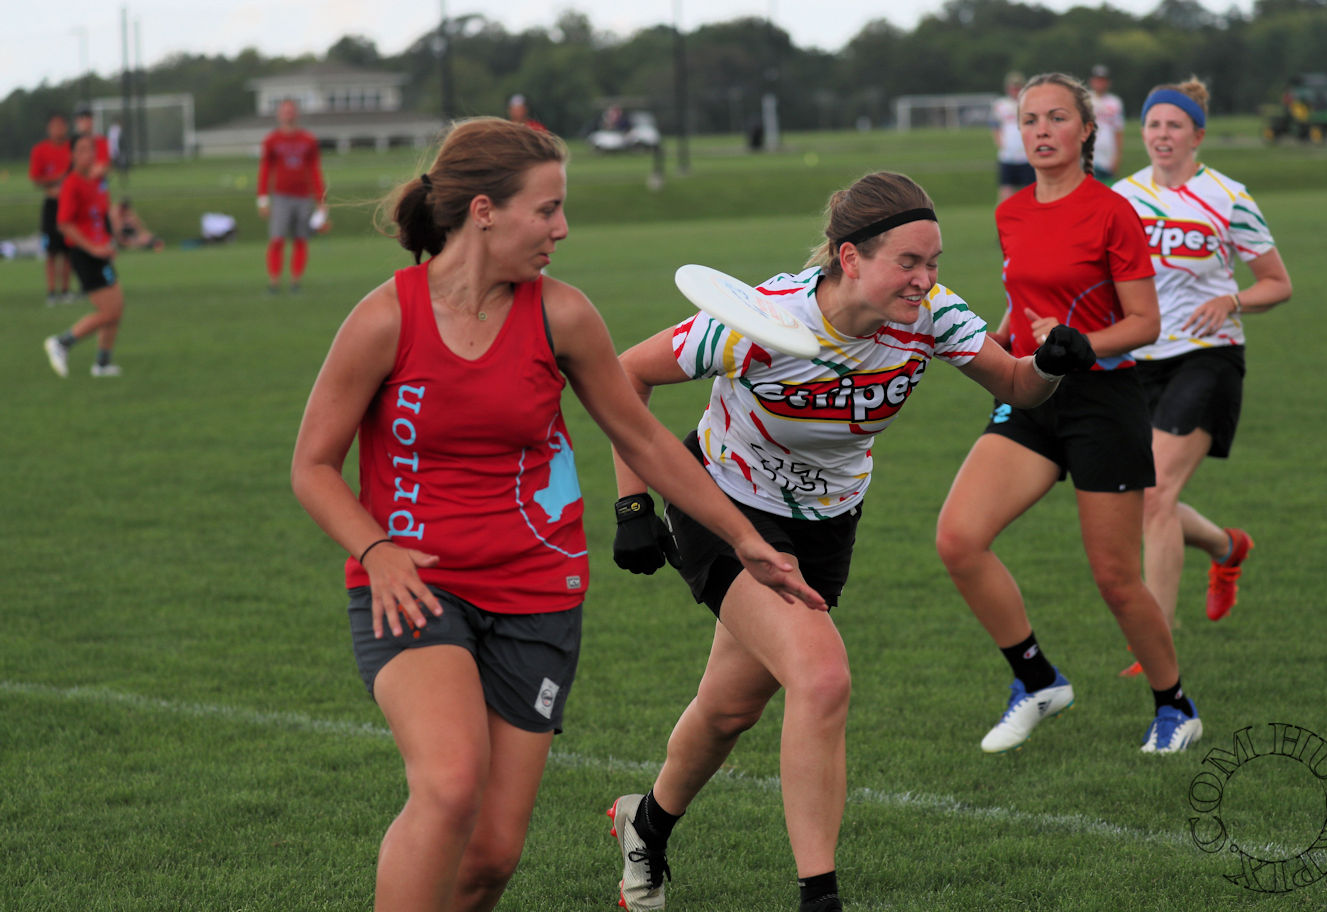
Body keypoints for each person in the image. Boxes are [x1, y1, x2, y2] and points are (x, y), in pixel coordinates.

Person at [289, 116, 824, 912]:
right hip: (414, 585)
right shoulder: (385, 319)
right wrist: (376, 550)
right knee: (449, 784)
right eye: (546, 210)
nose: (562, 228)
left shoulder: (562, 315)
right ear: (483, 211)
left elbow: (642, 437)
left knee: (491, 858)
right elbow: (312, 465)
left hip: (538, 591)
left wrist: (743, 538)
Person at [604, 171, 1097, 912]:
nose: (925, 279)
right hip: (724, 503)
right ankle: (820, 896)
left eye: (933, 262)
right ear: (849, 257)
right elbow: (622, 378)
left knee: (730, 708)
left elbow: (1017, 388)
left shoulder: (932, 316)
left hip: (828, 522)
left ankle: (644, 823)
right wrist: (632, 504)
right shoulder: (760, 319)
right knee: (823, 677)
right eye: (909, 262)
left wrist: (1051, 365)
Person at [934, 72, 1203, 756]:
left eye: (1057, 117)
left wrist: (1082, 344)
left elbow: (1144, 322)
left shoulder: (1112, 211)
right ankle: (1038, 682)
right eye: (1030, 120)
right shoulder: (1012, 212)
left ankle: (1175, 705)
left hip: (1103, 401)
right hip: (1032, 390)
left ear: (1087, 130)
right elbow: (1022, 299)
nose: (1042, 130)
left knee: (1115, 577)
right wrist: (998, 341)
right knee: (959, 539)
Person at [1111, 79, 1292, 675]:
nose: (1162, 135)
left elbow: (1278, 283)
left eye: (1174, 125)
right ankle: (1226, 545)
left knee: (1156, 494)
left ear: (1197, 135)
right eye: (1153, 124)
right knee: (1142, 500)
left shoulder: (1228, 197)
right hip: (1139, 359)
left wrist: (1232, 300)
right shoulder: (1123, 198)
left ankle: (1156, 644)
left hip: (1209, 356)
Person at [42, 133, 126, 379]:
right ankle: (61, 342)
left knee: (116, 307)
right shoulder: (71, 183)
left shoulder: (96, 181)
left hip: (100, 253)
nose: (88, 154)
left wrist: (109, 241)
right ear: (72, 155)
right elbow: (64, 224)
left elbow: (100, 214)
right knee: (109, 312)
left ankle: (102, 364)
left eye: (90, 149)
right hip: (85, 255)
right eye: (81, 150)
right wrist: (93, 248)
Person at [256, 98, 326, 293]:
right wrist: (262, 198)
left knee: (300, 239)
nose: (288, 115)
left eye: (291, 111)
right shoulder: (272, 140)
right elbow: (265, 169)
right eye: (285, 111)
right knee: (277, 239)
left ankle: (296, 281)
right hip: (281, 196)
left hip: (303, 197)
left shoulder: (308, 140)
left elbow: (315, 170)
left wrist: (321, 199)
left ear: (297, 114)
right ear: (279, 115)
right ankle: (274, 281)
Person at [29, 112, 72, 304]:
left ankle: (66, 290)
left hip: (69, 204)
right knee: (51, 251)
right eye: (55, 125)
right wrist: (56, 179)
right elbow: (36, 178)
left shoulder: (72, 148)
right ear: (49, 128)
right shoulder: (40, 150)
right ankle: (52, 292)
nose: (58, 129)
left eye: (61, 125)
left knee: (68, 250)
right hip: (52, 205)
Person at [991, 71, 1032, 203]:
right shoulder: (1000, 105)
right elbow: (995, 127)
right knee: (1006, 192)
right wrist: (1001, 145)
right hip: (1007, 156)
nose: (1015, 90)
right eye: (1013, 87)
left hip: (1027, 156)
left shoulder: (1030, 104)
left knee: (1030, 192)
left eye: (1018, 87)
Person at [1089, 65, 1125, 182]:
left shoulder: (1115, 102)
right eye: (1097, 80)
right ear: (1092, 81)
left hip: (1107, 156)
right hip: (1087, 155)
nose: (1100, 83)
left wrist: (1117, 157)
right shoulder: (1084, 99)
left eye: (1103, 80)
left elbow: (1118, 130)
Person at [73, 105, 111, 179]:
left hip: (96, 183)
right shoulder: (70, 143)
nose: (85, 121)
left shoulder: (101, 141)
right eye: (82, 118)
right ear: (76, 121)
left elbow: (102, 167)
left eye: (88, 118)